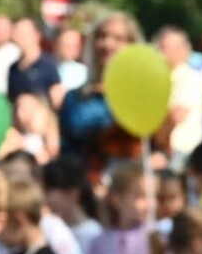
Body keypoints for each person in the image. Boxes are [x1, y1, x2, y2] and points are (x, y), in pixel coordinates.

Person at [59, 12, 144, 184]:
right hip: (84, 185)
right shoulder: (75, 97)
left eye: (118, 38)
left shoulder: (142, 95)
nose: (107, 44)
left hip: (130, 186)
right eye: (101, 36)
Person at [158, 27, 202, 169]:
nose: (160, 52)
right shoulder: (165, 77)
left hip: (180, 150)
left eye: (165, 47)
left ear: (182, 50)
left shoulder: (189, 78)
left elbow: (177, 115)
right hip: (166, 148)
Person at [41, 155, 102, 254]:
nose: (44, 197)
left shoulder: (94, 234)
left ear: (72, 192)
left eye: (48, 190)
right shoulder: (49, 230)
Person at [7, 17, 63, 108]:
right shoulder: (13, 68)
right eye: (15, 33)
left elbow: (57, 102)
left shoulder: (48, 65)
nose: (17, 37)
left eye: (23, 33)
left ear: (37, 35)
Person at [53, 28, 88, 94]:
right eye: (63, 45)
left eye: (72, 46)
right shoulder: (48, 68)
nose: (67, 49)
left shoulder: (85, 72)